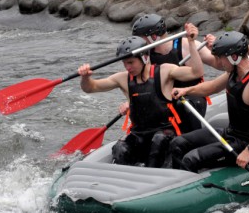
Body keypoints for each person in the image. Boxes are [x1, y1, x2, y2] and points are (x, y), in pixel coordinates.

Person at [77, 26, 203, 167]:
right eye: (125, 63)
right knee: (120, 148)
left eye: (131, 62)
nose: (127, 67)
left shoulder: (165, 71)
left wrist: (191, 42)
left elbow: (196, 72)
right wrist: (85, 78)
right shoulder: (123, 78)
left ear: (144, 57)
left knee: (159, 140)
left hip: (165, 134)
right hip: (139, 135)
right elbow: (91, 88)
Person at [169, 31, 249, 172]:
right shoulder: (234, 73)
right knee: (178, 143)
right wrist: (186, 90)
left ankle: (190, 182)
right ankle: (176, 179)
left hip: (246, 145)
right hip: (230, 134)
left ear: (234, 57)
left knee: (191, 159)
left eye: (221, 58)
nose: (219, 63)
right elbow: (212, 87)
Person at [131, 13, 216, 133]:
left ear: (153, 37)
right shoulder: (145, 56)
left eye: (141, 38)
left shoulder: (186, 45)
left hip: (191, 96)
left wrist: (216, 48)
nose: (139, 43)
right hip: (164, 99)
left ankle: (191, 137)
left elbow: (219, 64)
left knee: (183, 105)